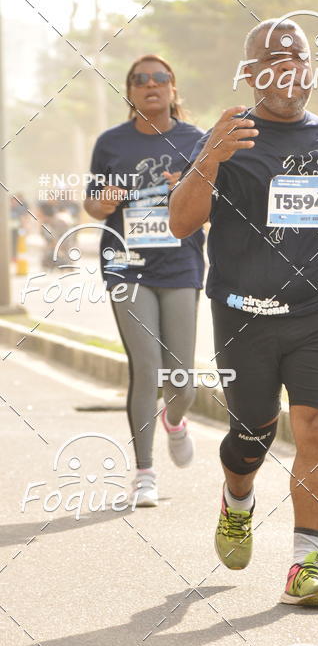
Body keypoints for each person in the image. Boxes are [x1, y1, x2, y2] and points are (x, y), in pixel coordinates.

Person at [170, 18, 318, 608]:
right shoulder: (229, 137)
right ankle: (237, 499)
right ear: (250, 73)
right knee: (252, 434)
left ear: (310, 70)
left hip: (316, 314)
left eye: (296, 57)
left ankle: (306, 564)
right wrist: (209, 160)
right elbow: (181, 222)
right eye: (272, 59)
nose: (286, 67)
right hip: (244, 314)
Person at [84, 55, 205, 506]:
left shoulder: (196, 141)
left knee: (182, 381)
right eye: (140, 80)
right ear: (130, 92)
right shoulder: (111, 143)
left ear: (173, 88)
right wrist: (103, 202)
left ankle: (175, 420)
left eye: (159, 78)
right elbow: (93, 204)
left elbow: (214, 204)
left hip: (180, 265)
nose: (150, 85)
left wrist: (186, 190)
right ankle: (145, 473)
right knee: (147, 367)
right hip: (126, 264)